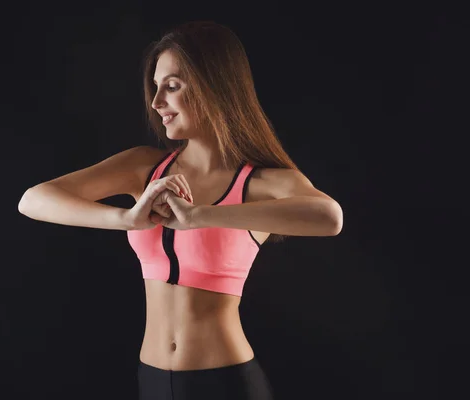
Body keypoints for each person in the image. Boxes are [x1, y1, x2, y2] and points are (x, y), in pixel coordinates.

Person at [18, 20, 343, 400]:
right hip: (152, 379)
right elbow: (33, 200)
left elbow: (329, 217)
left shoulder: (259, 183)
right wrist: (127, 218)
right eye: (156, 88)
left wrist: (200, 216)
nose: (157, 103)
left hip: (226, 382)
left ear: (214, 86)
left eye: (172, 86)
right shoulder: (145, 168)